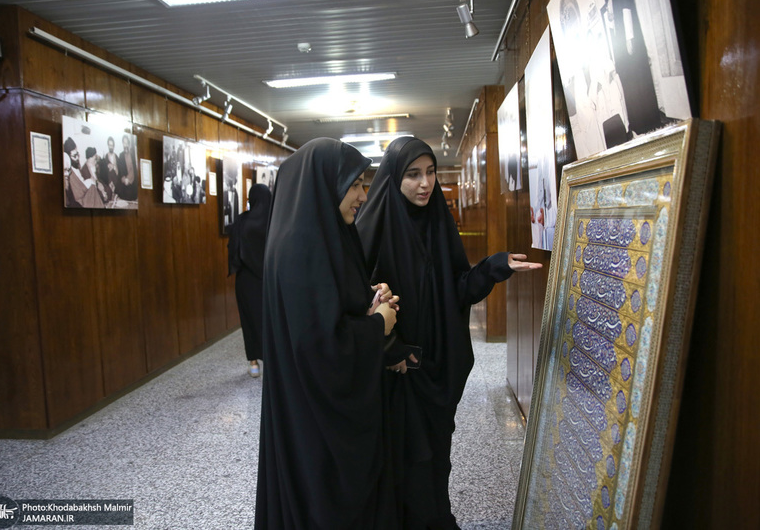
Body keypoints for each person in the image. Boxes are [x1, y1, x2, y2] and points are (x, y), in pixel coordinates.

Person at [356, 136, 542, 529]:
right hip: (397, 373)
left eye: (430, 173)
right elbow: (357, 303)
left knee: (436, 458)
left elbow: (456, 288)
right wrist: (391, 348)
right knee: (409, 460)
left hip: (437, 367)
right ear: (393, 179)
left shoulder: (437, 224)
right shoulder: (369, 230)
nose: (425, 184)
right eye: (413, 175)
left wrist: (495, 266)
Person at [255, 138, 401, 530]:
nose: (362, 195)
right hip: (317, 421)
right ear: (325, 184)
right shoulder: (300, 249)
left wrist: (371, 299)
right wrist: (378, 324)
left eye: (363, 184)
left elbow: (335, 304)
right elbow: (321, 348)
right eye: (353, 184)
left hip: (305, 406)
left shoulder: (322, 234)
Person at [227, 184, 272, 378]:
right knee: (270, 321)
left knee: (249, 320)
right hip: (269, 279)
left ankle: (254, 363)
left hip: (246, 280)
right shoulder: (274, 220)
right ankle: (273, 360)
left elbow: (233, 249)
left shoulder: (241, 220)